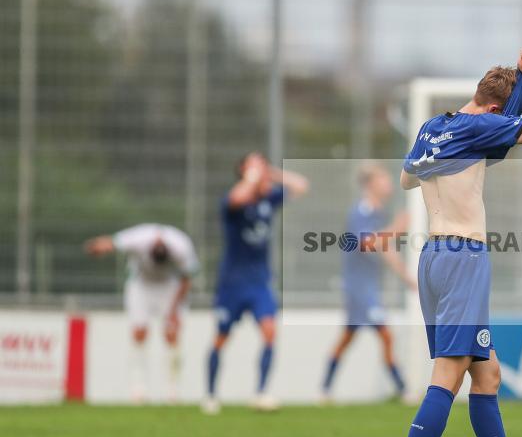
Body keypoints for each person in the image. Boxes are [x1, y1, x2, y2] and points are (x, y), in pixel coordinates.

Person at [384, 48, 522, 437]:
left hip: (433, 257)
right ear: (494, 112)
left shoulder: (435, 127)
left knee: (488, 375)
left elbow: (407, 179)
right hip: (464, 256)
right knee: (448, 374)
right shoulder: (482, 125)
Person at [204, 152, 309, 415]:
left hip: (259, 281)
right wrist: (251, 177)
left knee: (270, 332)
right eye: (252, 165)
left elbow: (300, 185)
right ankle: (211, 394)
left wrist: (271, 173)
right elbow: (238, 197)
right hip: (232, 283)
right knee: (221, 337)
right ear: (242, 171)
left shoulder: (267, 200)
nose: (258, 169)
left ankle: (261, 392)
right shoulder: (232, 203)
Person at [321, 162, 416, 402]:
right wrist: (397, 228)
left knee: (347, 338)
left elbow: (385, 249)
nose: (388, 183)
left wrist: (407, 277)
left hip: (368, 286)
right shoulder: (360, 212)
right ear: (370, 184)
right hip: (358, 287)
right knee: (385, 335)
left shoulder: (377, 212)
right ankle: (403, 389)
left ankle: (324, 389)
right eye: (383, 179)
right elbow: (366, 244)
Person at [85, 224, 198, 403]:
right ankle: (139, 389)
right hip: (141, 285)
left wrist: (174, 312)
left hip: (169, 286)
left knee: (172, 334)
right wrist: (97, 247)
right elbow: (111, 242)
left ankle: (172, 390)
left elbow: (186, 279)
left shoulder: (182, 246)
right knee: (139, 332)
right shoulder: (139, 238)